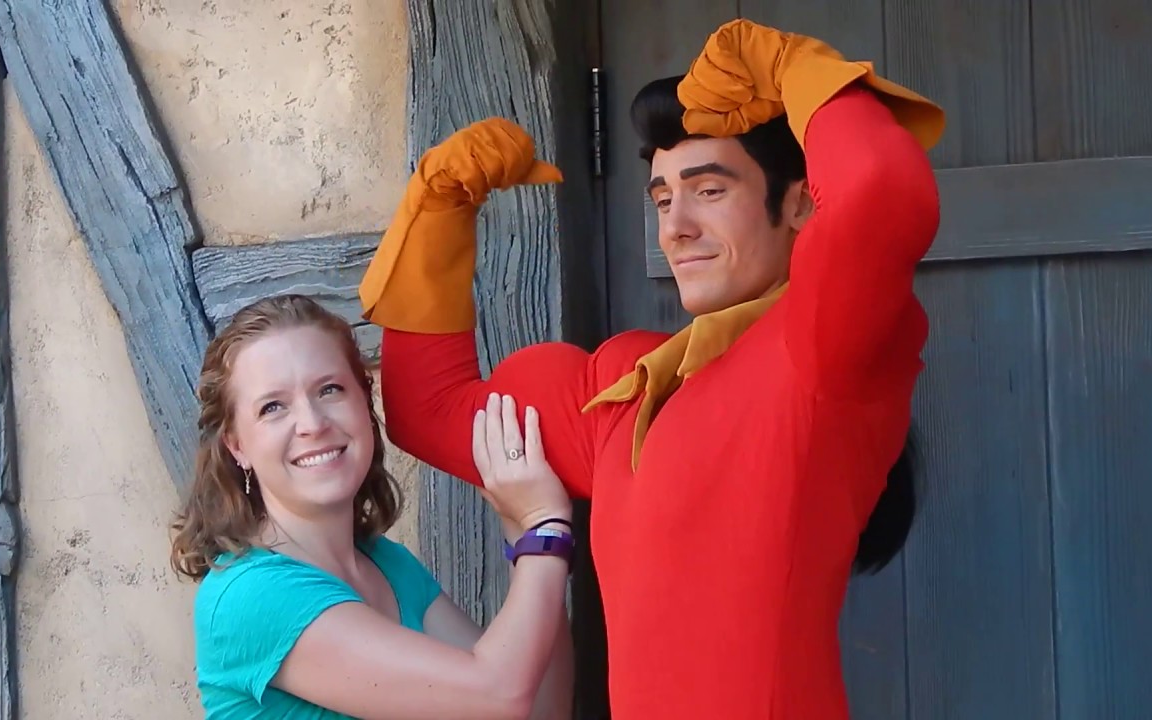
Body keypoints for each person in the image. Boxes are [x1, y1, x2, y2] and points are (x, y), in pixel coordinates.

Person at [356, 17, 946, 719]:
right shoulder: (632, 388)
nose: (675, 226)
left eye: (710, 190)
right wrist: (440, 212)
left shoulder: (826, 351)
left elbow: (880, 190)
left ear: (797, 203)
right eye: (663, 197)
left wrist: (788, 64)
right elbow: (433, 412)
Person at [168, 294, 574, 720]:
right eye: (273, 407)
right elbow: (497, 696)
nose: (312, 423)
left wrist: (523, 530)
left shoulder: (387, 564)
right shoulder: (252, 595)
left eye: (330, 390)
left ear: (366, 403)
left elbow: (536, 712)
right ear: (237, 446)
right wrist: (544, 531)